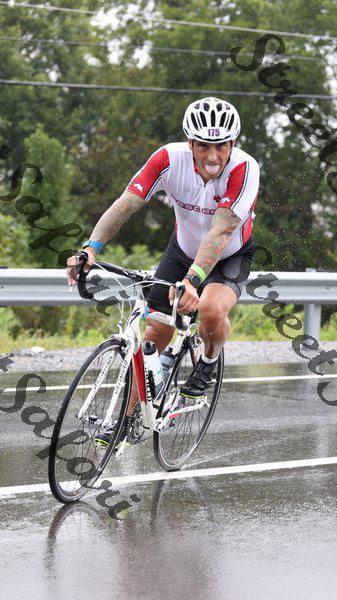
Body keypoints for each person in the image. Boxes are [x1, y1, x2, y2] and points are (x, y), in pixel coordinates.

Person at [67, 96, 260, 447]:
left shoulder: (245, 169)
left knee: (210, 310)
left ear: (232, 144)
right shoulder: (168, 159)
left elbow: (221, 231)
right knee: (154, 331)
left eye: (220, 146)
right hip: (182, 250)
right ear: (190, 143)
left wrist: (192, 280)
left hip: (229, 255)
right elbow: (126, 204)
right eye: (203, 146)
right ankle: (126, 421)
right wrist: (90, 249)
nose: (212, 156)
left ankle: (208, 361)